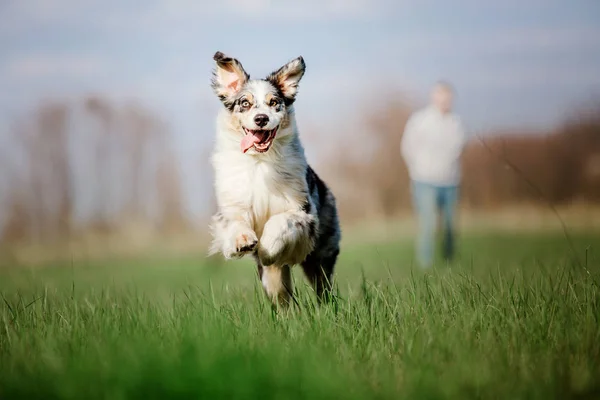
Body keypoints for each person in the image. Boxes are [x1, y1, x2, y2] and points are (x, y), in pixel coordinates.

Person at [400, 81, 468, 268]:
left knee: (449, 226)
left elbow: (459, 150)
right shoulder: (420, 120)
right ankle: (426, 266)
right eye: (441, 96)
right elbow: (407, 147)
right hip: (424, 180)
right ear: (434, 97)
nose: (445, 101)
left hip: (450, 181)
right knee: (427, 225)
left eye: (448, 98)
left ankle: (449, 263)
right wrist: (415, 170)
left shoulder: (456, 123)